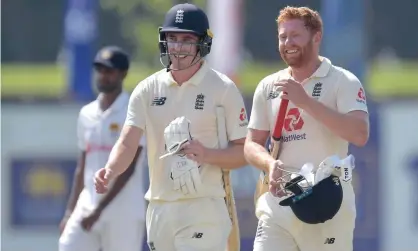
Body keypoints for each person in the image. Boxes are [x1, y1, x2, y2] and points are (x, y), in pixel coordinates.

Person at [93, 3, 249, 251]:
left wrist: (207, 154)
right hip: (159, 207)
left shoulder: (223, 89)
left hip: (204, 206)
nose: (178, 46)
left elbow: (244, 151)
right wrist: (110, 170)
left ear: (202, 43)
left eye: (187, 39)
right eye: (172, 38)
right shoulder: (147, 90)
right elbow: (127, 142)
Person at [244, 6, 369, 251]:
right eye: (282, 36)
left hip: (326, 197)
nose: (287, 42)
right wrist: (269, 165)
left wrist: (306, 102)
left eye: (295, 35)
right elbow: (252, 144)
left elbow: (360, 134)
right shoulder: (268, 86)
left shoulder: (343, 81)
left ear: (317, 37)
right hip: (280, 198)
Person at [59, 46, 147, 251]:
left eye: (110, 71)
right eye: (100, 70)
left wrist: (99, 210)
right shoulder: (86, 113)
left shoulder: (133, 111)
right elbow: (82, 166)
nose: (103, 76)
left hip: (123, 211)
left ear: (123, 73)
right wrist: (70, 211)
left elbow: (129, 168)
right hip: (87, 205)